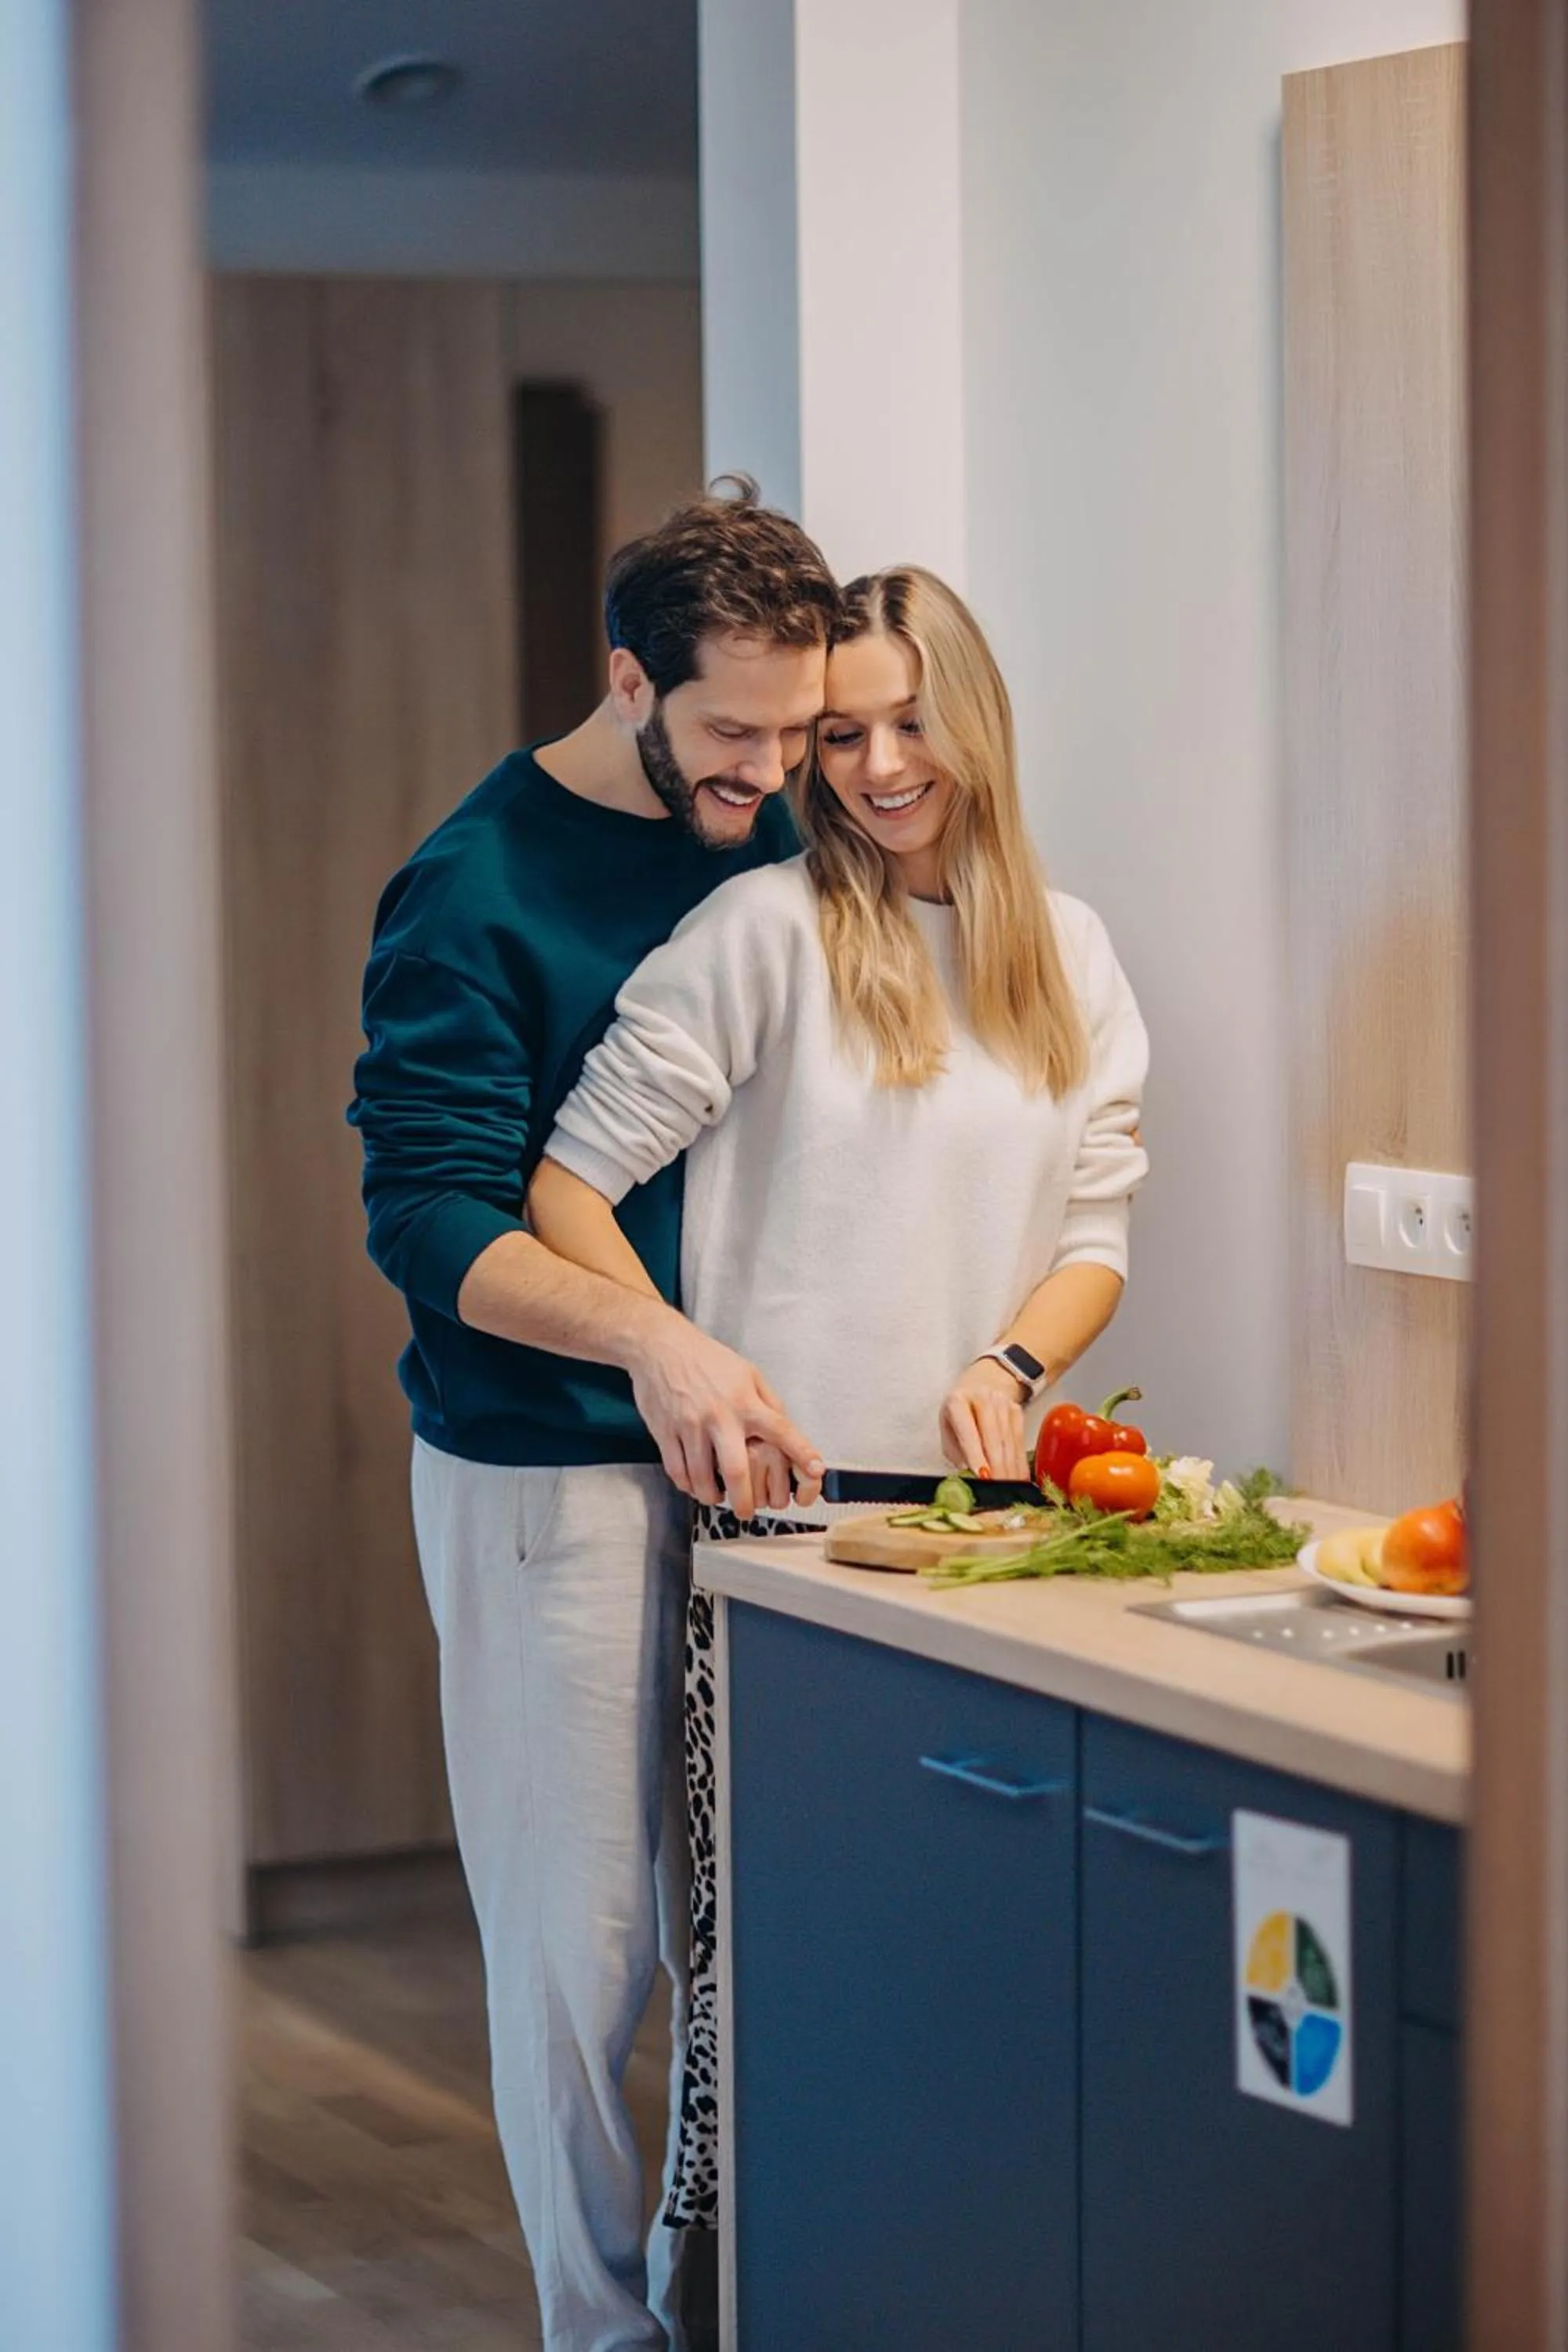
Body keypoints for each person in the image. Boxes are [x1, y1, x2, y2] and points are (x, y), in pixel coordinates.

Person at [527, 564, 1152, 2238]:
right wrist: (684, 1356)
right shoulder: (761, 934)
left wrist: (1010, 1362)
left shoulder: (1066, 953)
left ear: (975, 721)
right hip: (781, 1544)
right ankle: (719, 2298)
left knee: (954, 1986)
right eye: (842, 734)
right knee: (765, 1987)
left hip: (986, 1546)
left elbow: (1094, 1229)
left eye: (907, 721)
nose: (877, 766)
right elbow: (568, 1187)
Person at [347, 480, 840, 2352]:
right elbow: (429, 1212)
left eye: (794, 733)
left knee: (747, 1944)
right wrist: (653, 1346)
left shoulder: (774, 832)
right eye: (732, 733)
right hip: (548, 1473)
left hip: (760, 1468)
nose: (770, 772)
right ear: (627, 680)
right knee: (581, 1960)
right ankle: (593, 2327)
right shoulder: (476, 883)